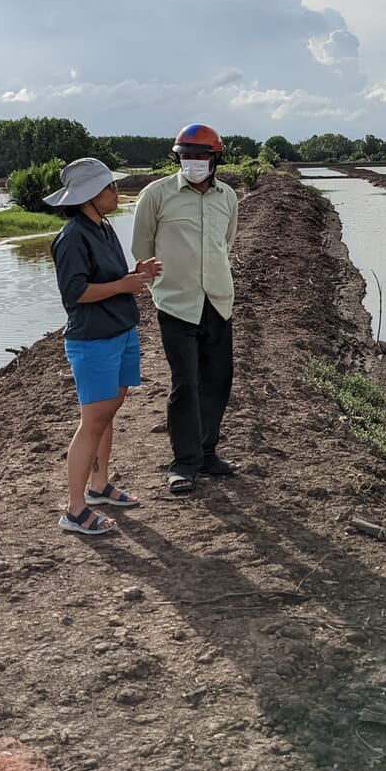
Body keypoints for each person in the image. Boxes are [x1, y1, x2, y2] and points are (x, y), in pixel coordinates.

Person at [46, 157, 161, 534]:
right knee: (92, 421)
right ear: (90, 195)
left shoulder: (103, 227)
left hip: (120, 331)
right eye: (111, 187)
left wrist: (135, 275)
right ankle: (75, 510)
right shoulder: (72, 237)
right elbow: (75, 293)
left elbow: (108, 279)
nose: (116, 192)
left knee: (107, 414)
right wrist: (124, 286)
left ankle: (99, 486)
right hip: (93, 340)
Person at [131, 123, 239, 495]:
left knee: (217, 381)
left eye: (201, 156)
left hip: (218, 301)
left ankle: (208, 452)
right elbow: (143, 246)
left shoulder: (227, 197)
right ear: (177, 158)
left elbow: (226, 242)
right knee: (186, 382)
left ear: (215, 159)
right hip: (177, 304)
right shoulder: (156, 195)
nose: (193, 162)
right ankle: (184, 462)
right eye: (186, 156)